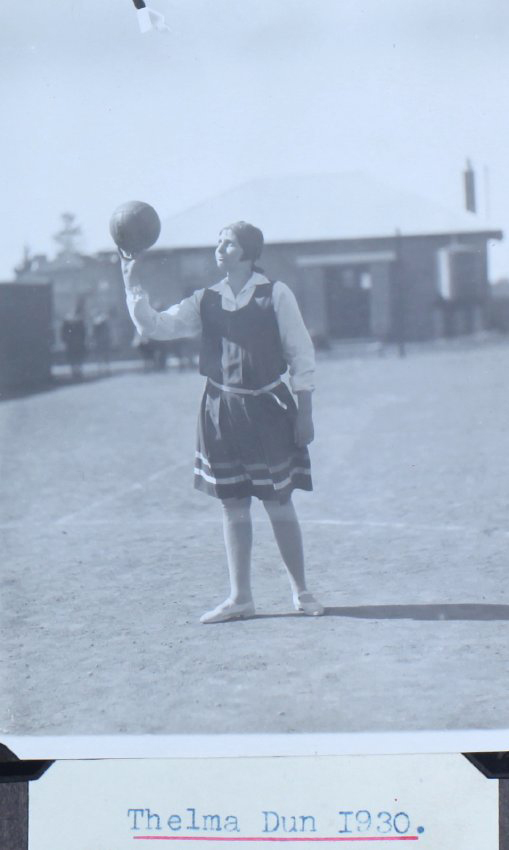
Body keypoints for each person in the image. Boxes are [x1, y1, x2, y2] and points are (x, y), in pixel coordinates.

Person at [120, 221, 324, 623]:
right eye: (218, 242)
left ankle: (302, 591)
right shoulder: (206, 299)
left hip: (268, 408)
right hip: (219, 409)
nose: (219, 248)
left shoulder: (275, 294)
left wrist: (305, 412)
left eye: (228, 243)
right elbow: (155, 327)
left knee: (278, 502)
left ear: (247, 253)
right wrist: (132, 286)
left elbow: (302, 355)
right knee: (233, 505)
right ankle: (241, 598)